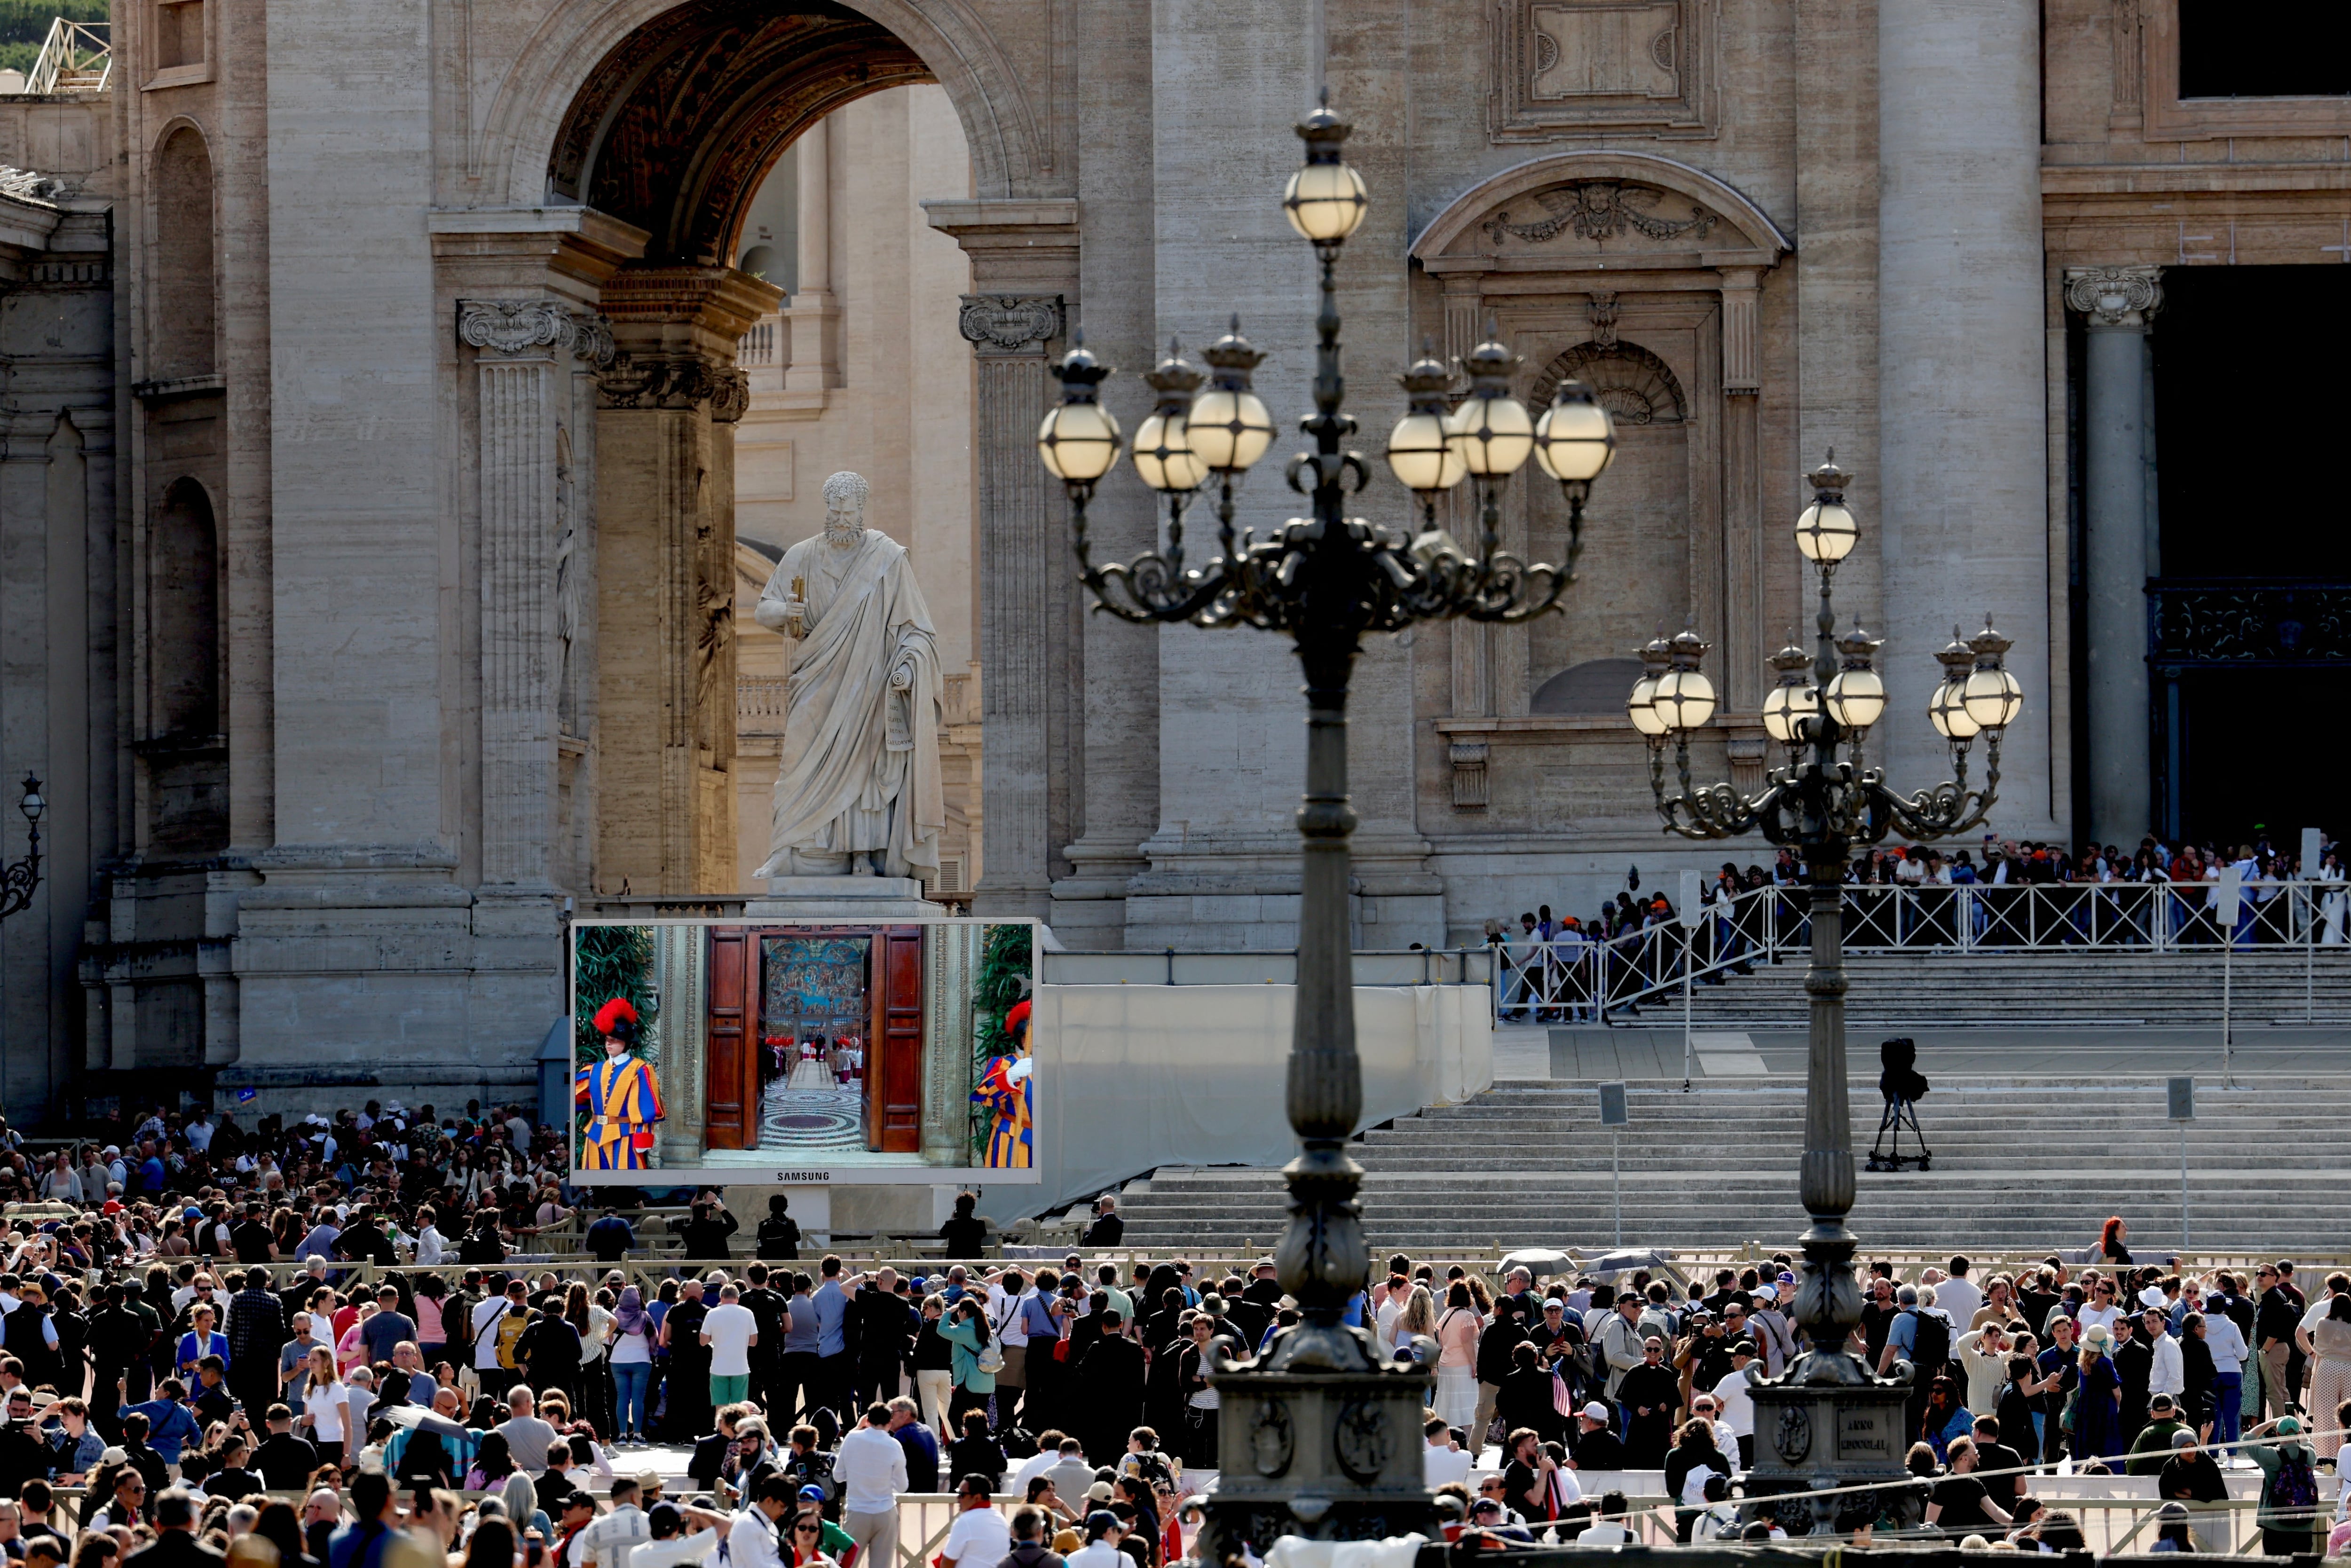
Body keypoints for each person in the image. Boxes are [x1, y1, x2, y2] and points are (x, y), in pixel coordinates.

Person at [577, 1001, 664, 1171]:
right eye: (607, 1039)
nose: (609, 1044)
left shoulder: (639, 1070)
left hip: (626, 1137)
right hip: (594, 1135)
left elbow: (645, 1109)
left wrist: (643, 1140)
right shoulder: (593, 1070)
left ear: (626, 1042)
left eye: (614, 1040)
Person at [836, 1405, 907, 1568]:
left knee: (845, 1565)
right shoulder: (894, 1445)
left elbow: (838, 1476)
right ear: (890, 1423)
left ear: (867, 1420)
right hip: (885, 1513)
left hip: (857, 1512)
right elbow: (902, 1486)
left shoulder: (852, 1439)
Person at [2243, 1416, 2322, 1558]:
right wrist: (2296, 1423)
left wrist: (2271, 1423)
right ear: (2298, 1434)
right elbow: (2308, 1443)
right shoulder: (2309, 1455)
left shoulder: (2270, 1456)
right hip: (2304, 1527)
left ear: (2278, 1435)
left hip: (2275, 1525)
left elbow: (2247, 1439)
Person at [1923, 1437, 2010, 1534]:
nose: (1979, 1457)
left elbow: (1995, 1512)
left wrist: (2015, 1522)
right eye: (1976, 1453)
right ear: (1965, 1459)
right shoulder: (1942, 1486)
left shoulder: (1975, 1484)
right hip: (1950, 1547)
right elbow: (1930, 1524)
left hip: (1971, 1546)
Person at [938, 1476, 1010, 1568]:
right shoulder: (1001, 1519)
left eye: (961, 1494)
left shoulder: (965, 1521)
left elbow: (948, 1562)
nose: (958, 1498)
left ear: (977, 1497)